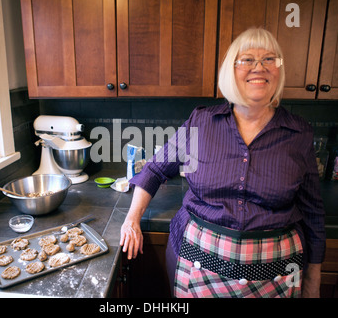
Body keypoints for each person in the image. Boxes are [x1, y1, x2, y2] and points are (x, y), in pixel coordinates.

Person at [120, 28, 325, 298]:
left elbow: (313, 212)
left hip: (276, 273)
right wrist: (132, 219)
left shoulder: (299, 132)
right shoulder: (201, 121)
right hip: (196, 261)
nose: (259, 68)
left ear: (278, 69)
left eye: (269, 59)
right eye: (248, 59)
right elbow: (156, 168)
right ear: (231, 69)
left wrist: (314, 275)